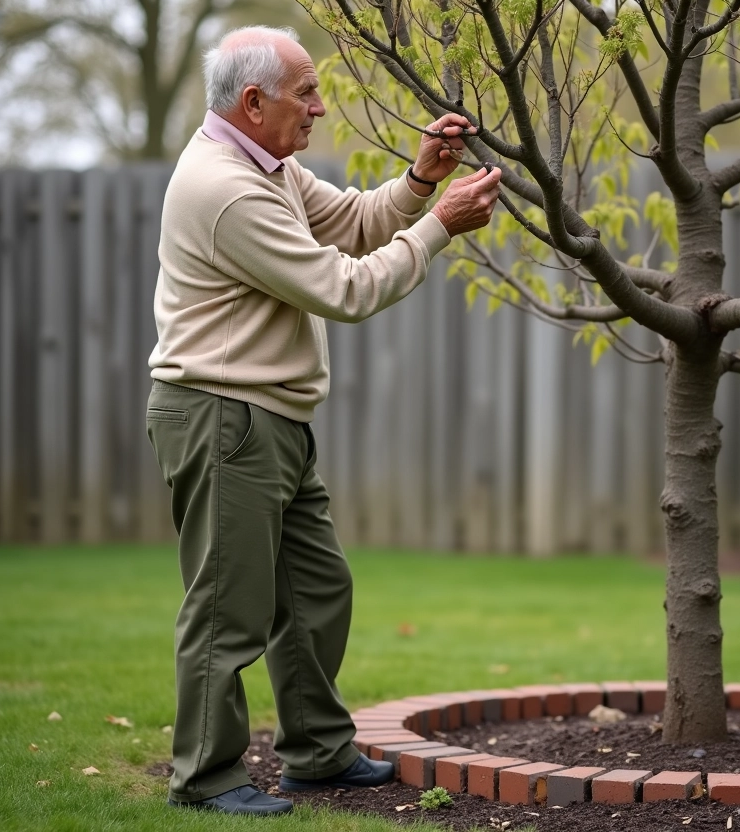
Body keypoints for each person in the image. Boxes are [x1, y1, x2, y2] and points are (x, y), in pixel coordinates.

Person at [145, 24, 501, 816]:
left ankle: (316, 753)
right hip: (222, 415)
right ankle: (205, 778)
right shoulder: (225, 187)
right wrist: (441, 224)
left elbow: (350, 223)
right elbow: (345, 288)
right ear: (252, 100)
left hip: (269, 415)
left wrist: (417, 181)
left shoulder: (267, 167)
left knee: (315, 590)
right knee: (226, 607)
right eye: (305, 93)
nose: (320, 107)